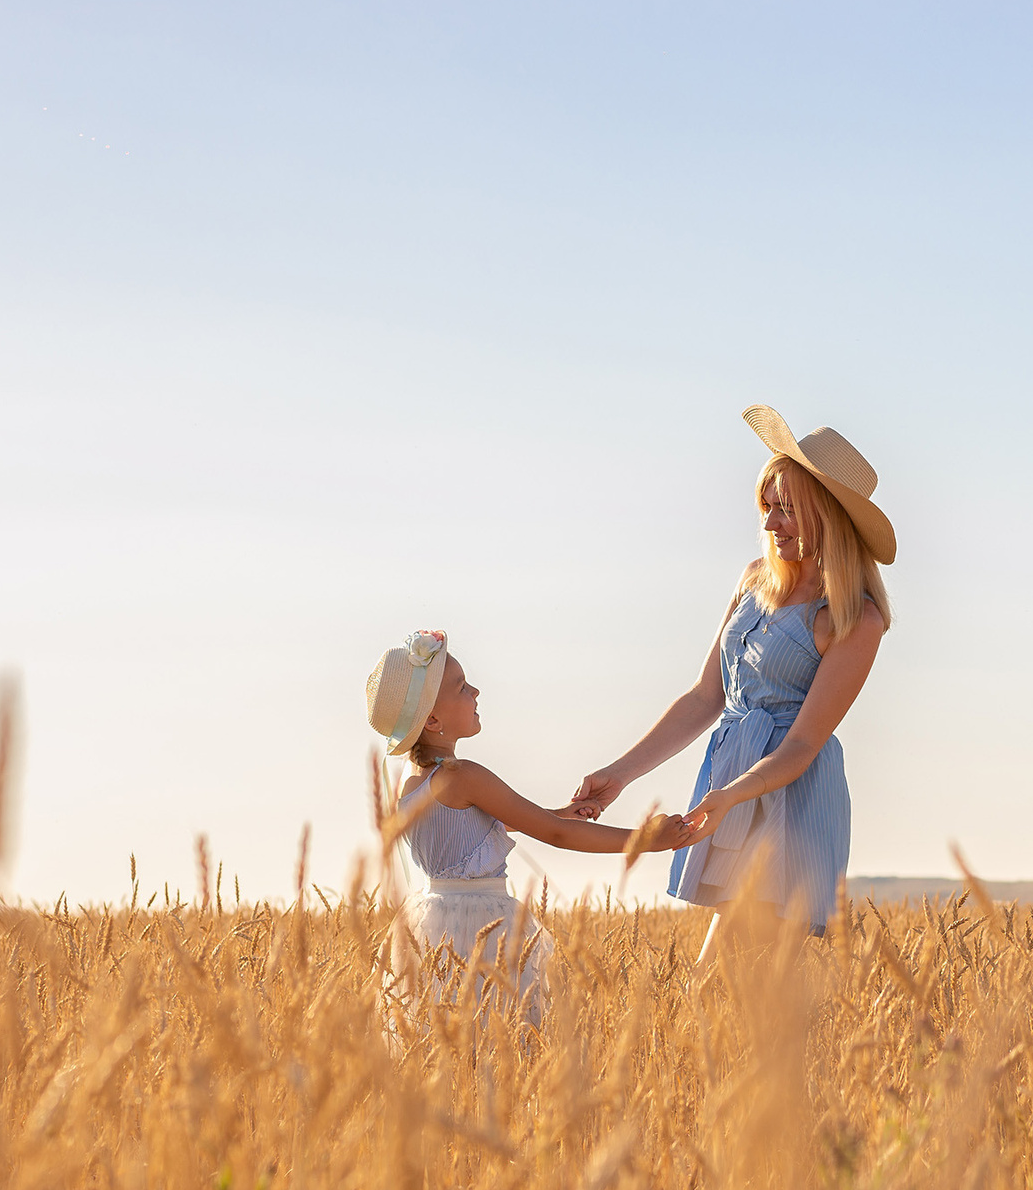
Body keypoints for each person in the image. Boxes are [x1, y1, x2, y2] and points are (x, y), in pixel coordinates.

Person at [565, 405, 894, 948]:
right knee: (733, 999)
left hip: (790, 796)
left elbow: (804, 744)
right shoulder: (754, 579)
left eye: (786, 509)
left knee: (727, 988)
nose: (769, 523)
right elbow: (703, 698)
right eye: (767, 507)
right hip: (734, 783)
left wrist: (735, 795)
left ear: (828, 514)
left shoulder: (855, 620)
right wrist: (619, 775)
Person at [366, 630, 692, 1012]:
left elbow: (468, 835)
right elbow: (557, 836)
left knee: (447, 1032)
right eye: (461, 687)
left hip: (432, 929)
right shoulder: (463, 775)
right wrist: (646, 840)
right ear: (434, 719)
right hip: (483, 928)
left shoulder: (411, 782)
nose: (476, 692)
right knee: (503, 1027)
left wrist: (554, 813)